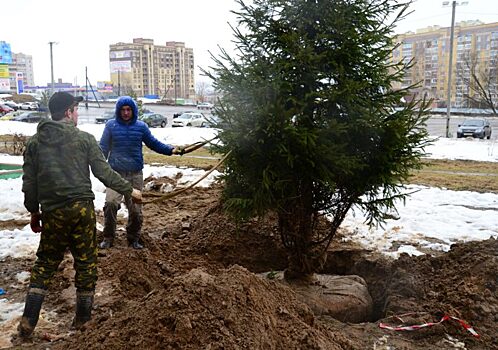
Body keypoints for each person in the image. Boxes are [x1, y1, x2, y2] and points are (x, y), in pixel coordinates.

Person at [19, 91, 142, 338]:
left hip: (53, 212)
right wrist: (130, 190)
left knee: (45, 263)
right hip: (82, 210)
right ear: (67, 112)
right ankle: (83, 321)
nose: (77, 114)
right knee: (86, 262)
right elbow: (103, 172)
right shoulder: (84, 139)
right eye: (75, 109)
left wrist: (34, 211)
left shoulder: (34, 144)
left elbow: (29, 183)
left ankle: (28, 321)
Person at [98, 96, 182, 250]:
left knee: (136, 211)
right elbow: (102, 148)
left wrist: (171, 150)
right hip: (115, 174)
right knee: (110, 204)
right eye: (122, 110)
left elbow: (154, 143)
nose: (125, 113)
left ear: (133, 110)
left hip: (135, 175)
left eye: (128, 109)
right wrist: (96, 165)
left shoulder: (141, 127)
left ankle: (133, 238)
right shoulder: (111, 126)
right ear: (118, 111)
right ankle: (108, 237)